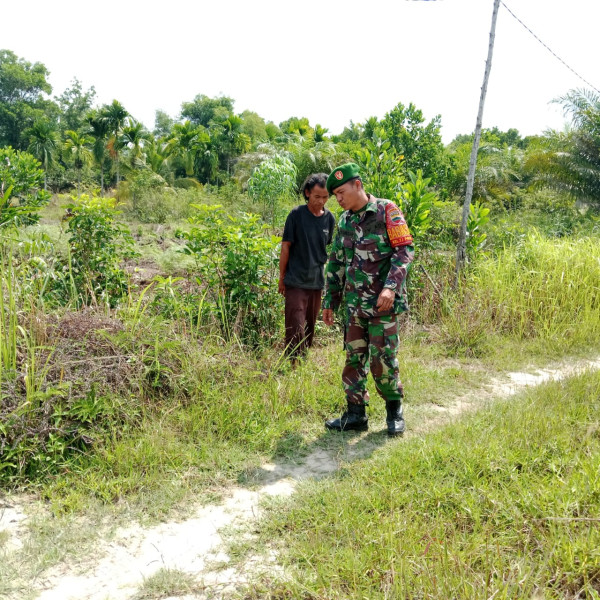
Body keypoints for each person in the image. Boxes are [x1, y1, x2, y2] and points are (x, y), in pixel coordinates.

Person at [321, 163, 414, 436]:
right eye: (334, 195)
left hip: (382, 304)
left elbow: (404, 250)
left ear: (358, 185)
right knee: (353, 359)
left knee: (383, 359)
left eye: (341, 192)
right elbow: (336, 263)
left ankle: (394, 412)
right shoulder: (345, 221)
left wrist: (390, 287)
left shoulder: (387, 210)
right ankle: (355, 415)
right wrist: (330, 301)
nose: (338, 199)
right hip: (354, 306)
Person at [279, 173, 336, 363]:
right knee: (295, 324)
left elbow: (324, 247)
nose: (321, 201)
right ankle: (292, 363)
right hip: (296, 280)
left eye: (325, 197)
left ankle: (302, 361)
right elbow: (286, 246)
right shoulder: (296, 215)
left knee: (310, 325)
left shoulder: (330, 219)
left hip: (316, 281)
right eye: (316, 196)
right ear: (307, 193)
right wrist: (282, 277)